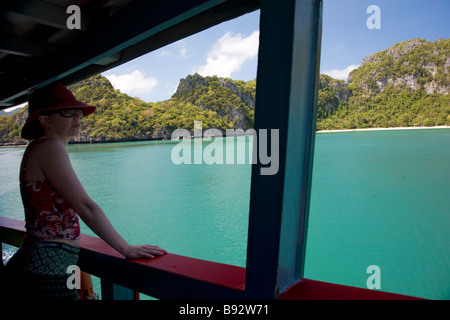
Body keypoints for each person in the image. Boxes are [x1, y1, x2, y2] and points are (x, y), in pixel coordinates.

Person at [2, 82, 166, 299]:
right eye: (68, 112)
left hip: (43, 264)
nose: (77, 118)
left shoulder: (40, 147)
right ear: (44, 120)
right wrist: (126, 249)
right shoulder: (50, 147)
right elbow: (85, 206)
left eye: (78, 112)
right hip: (45, 270)